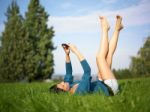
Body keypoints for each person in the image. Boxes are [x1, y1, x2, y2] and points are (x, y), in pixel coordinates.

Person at [50, 15, 123, 96]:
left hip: (102, 82)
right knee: (99, 58)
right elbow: (87, 70)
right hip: (110, 88)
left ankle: (117, 29)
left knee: (108, 55)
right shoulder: (79, 92)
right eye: (63, 85)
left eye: (61, 83)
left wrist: (67, 54)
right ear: (65, 92)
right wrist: (76, 51)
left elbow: (68, 73)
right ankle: (105, 29)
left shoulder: (70, 86)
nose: (63, 82)